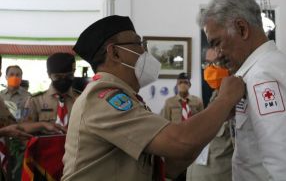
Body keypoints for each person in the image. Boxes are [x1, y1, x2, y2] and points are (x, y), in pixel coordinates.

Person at [62, 15, 245, 181]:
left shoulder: (129, 99)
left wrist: (218, 115)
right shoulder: (102, 98)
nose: (144, 52)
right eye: (138, 44)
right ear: (115, 53)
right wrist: (225, 99)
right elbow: (180, 142)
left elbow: (171, 166)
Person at [198, 0, 286, 181]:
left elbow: (285, 165)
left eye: (217, 43)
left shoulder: (261, 76)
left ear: (241, 28)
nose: (217, 54)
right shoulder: (266, 67)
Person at [187, 48, 233, 181]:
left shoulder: (237, 96)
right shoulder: (217, 94)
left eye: (216, 63)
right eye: (207, 63)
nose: (210, 69)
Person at [160, 72, 203, 181]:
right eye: (180, 82)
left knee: (191, 169)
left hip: (193, 140)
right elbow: (165, 122)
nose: (183, 85)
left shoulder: (197, 101)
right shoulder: (170, 102)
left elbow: (201, 122)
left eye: (185, 82)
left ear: (190, 85)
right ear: (176, 85)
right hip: (176, 140)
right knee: (176, 171)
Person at [24, 53, 77, 126]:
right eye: (57, 77)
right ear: (49, 74)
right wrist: (42, 126)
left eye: (69, 76)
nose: (63, 80)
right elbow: (25, 128)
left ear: (74, 73)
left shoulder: (82, 99)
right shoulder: (35, 101)